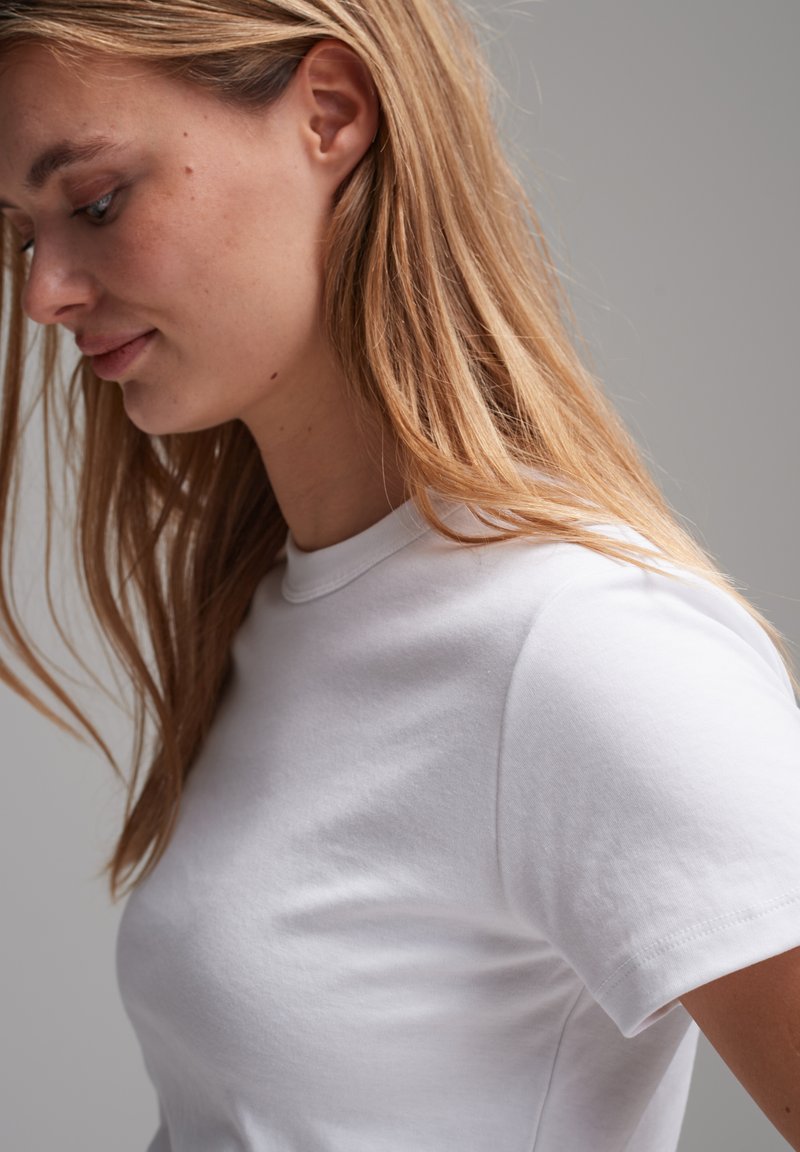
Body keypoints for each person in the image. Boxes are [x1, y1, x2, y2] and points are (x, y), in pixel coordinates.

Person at [1, 3, 799, 1150]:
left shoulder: (583, 649)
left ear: (329, 113)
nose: (43, 294)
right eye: (21, 236)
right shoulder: (279, 607)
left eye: (95, 202)